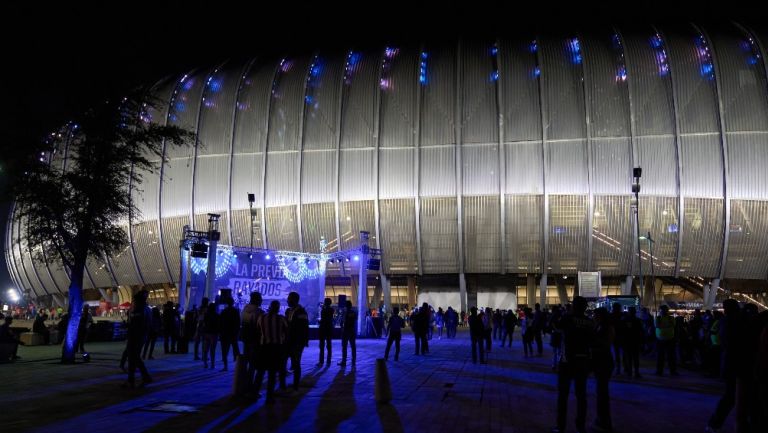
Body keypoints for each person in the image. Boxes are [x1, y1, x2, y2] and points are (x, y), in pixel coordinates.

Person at [552, 296, 593, 433]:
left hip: (567, 361)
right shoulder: (589, 321)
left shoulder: (568, 318)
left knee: (563, 396)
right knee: (581, 396)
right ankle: (580, 426)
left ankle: (561, 426)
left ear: (574, 306)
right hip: (583, 360)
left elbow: (555, 327)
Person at [706, 299, 745, 433]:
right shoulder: (739, 321)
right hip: (739, 363)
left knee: (730, 396)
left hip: (728, 362)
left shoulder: (724, 321)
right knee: (733, 396)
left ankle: (715, 424)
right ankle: (716, 423)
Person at [254, 300, 287, 404]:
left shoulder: (261, 318)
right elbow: (286, 332)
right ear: (277, 308)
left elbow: (258, 331)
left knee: (260, 371)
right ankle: (269, 396)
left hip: (264, 347)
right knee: (272, 373)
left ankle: (254, 393)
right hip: (276, 347)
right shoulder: (281, 319)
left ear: (269, 307)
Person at [122, 290, 152, 388]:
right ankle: (139, 378)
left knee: (133, 357)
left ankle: (139, 378)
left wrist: (129, 326)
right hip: (139, 336)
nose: (132, 302)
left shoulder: (140, 309)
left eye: (134, 300)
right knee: (134, 357)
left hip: (136, 336)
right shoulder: (144, 309)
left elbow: (138, 324)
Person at [592, 307, 615, 432]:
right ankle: (602, 419)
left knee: (602, 394)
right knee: (601, 393)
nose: (593, 317)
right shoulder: (600, 326)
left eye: (595, 315)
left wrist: (592, 345)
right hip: (601, 362)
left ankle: (605, 422)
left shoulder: (606, 327)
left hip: (604, 363)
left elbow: (605, 344)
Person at [284, 291, 309, 391]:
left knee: (296, 363)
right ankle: (283, 385)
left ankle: (295, 386)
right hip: (287, 340)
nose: (287, 300)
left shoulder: (301, 312)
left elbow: (303, 328)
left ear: (295, 300)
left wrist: (304, 341)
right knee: (284, 362)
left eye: (289, 298)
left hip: (297, 341)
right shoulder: (288, 311)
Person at [241, 292, 264, 394]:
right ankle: (250, 388)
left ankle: (244, 385)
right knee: (254, 364)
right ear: (258, 300)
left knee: (247, 363)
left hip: (246, 339)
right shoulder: (259, 312)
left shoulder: (245, 309)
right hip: (255, 341)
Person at [218, 296, 241, 371]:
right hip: (233, 333)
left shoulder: (224, 311)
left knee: (225, 351)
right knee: (236, 350)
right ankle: (239, 366)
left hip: (225, 333)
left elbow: (220, 322)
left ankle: (225, 366)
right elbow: (238, 322)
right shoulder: (235, 311)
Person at [655, 305, 677, 376]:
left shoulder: (671, 318)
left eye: (665, 310)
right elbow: (657, 326)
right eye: (662, 310)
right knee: (660, 356)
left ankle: (672, 371)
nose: (663, 312)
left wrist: (663, 326)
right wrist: (666, 326)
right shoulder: (658, 318)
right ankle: (659, 371)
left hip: (669, 339)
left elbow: (672, 325)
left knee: (670, 356)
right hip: (660, 340)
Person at [621, 306, 643, 378]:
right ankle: (636, 372)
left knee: (629, 358)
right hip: (635, 341)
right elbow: (641, 332)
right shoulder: (638, 320)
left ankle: (630, 372)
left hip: (627, 341)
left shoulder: (624, 320)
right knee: (635, 358)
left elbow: (623, 331)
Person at [316, 298, 334, 367]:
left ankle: (321, 361)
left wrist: (319, 321)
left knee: (322, 346)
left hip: (323, 329)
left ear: (326, 302)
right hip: (329, 328)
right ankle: (328, 361)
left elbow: (323, 319)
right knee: (329, 345)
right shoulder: (331, 309)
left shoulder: (324, 310)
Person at [201, 302, 219, 369]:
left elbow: (204, 324)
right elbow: (218, 325)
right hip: (214, 334)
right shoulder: (217, 315)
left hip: (207, 333)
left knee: (206, 349)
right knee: (212, 350)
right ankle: (212, 364)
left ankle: (205, 363)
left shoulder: (206, 315)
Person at [339, 300, 357, 367]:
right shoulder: (354, 313)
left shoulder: (345, 312)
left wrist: (342, 327)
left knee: (344, 347)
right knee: (353, 346)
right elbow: (355, 320)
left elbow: (342, 322)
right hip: (352, 330)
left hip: (346, 331)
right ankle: (353, 360)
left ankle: (344, 361)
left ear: (346, 306)